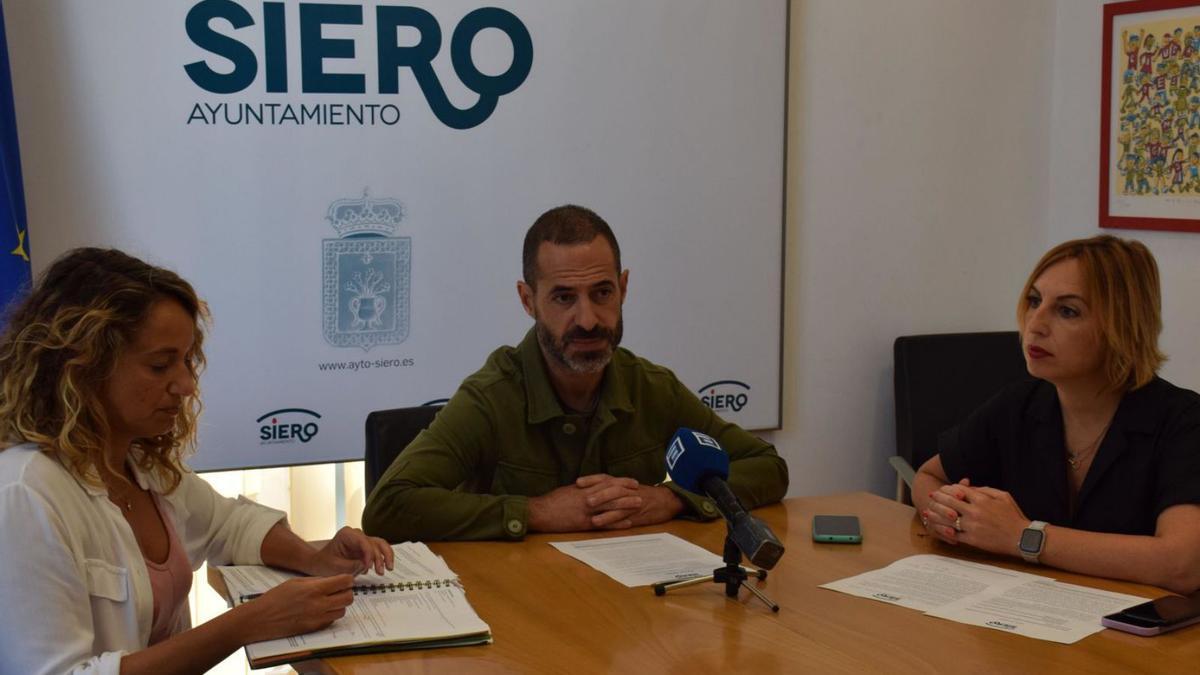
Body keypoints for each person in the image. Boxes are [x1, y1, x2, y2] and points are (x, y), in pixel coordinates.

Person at [0, 248, 397, 675]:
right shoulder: (26, 493)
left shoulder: (138, 462)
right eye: (159, 365)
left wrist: (314, 559)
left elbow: (229, 524)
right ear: (83, 365)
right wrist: (247, 623)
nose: (187, 385)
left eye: (187, 360)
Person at [363, 205, 788, 541]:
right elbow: (388, 508)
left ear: (623, 288)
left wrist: (671, 499)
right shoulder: (490, 396)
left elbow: (767, 467)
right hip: (517, 613)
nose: (588, 319)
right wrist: (537, 512)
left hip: (625, 612)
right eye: (564, 297)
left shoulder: (652, 388)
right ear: (527, 300)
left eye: (602, 293)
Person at [912, 235, 1200, 594]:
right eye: (1034, 301)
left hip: (1143, 638)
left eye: (1067, 311)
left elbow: (1183, 564)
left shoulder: (1183, 421)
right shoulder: (1021, 403)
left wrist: (1023, 537)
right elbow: (927, 476)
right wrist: (946, 516)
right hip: (1032, 615)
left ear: (1122, 325)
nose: (1036, 324)